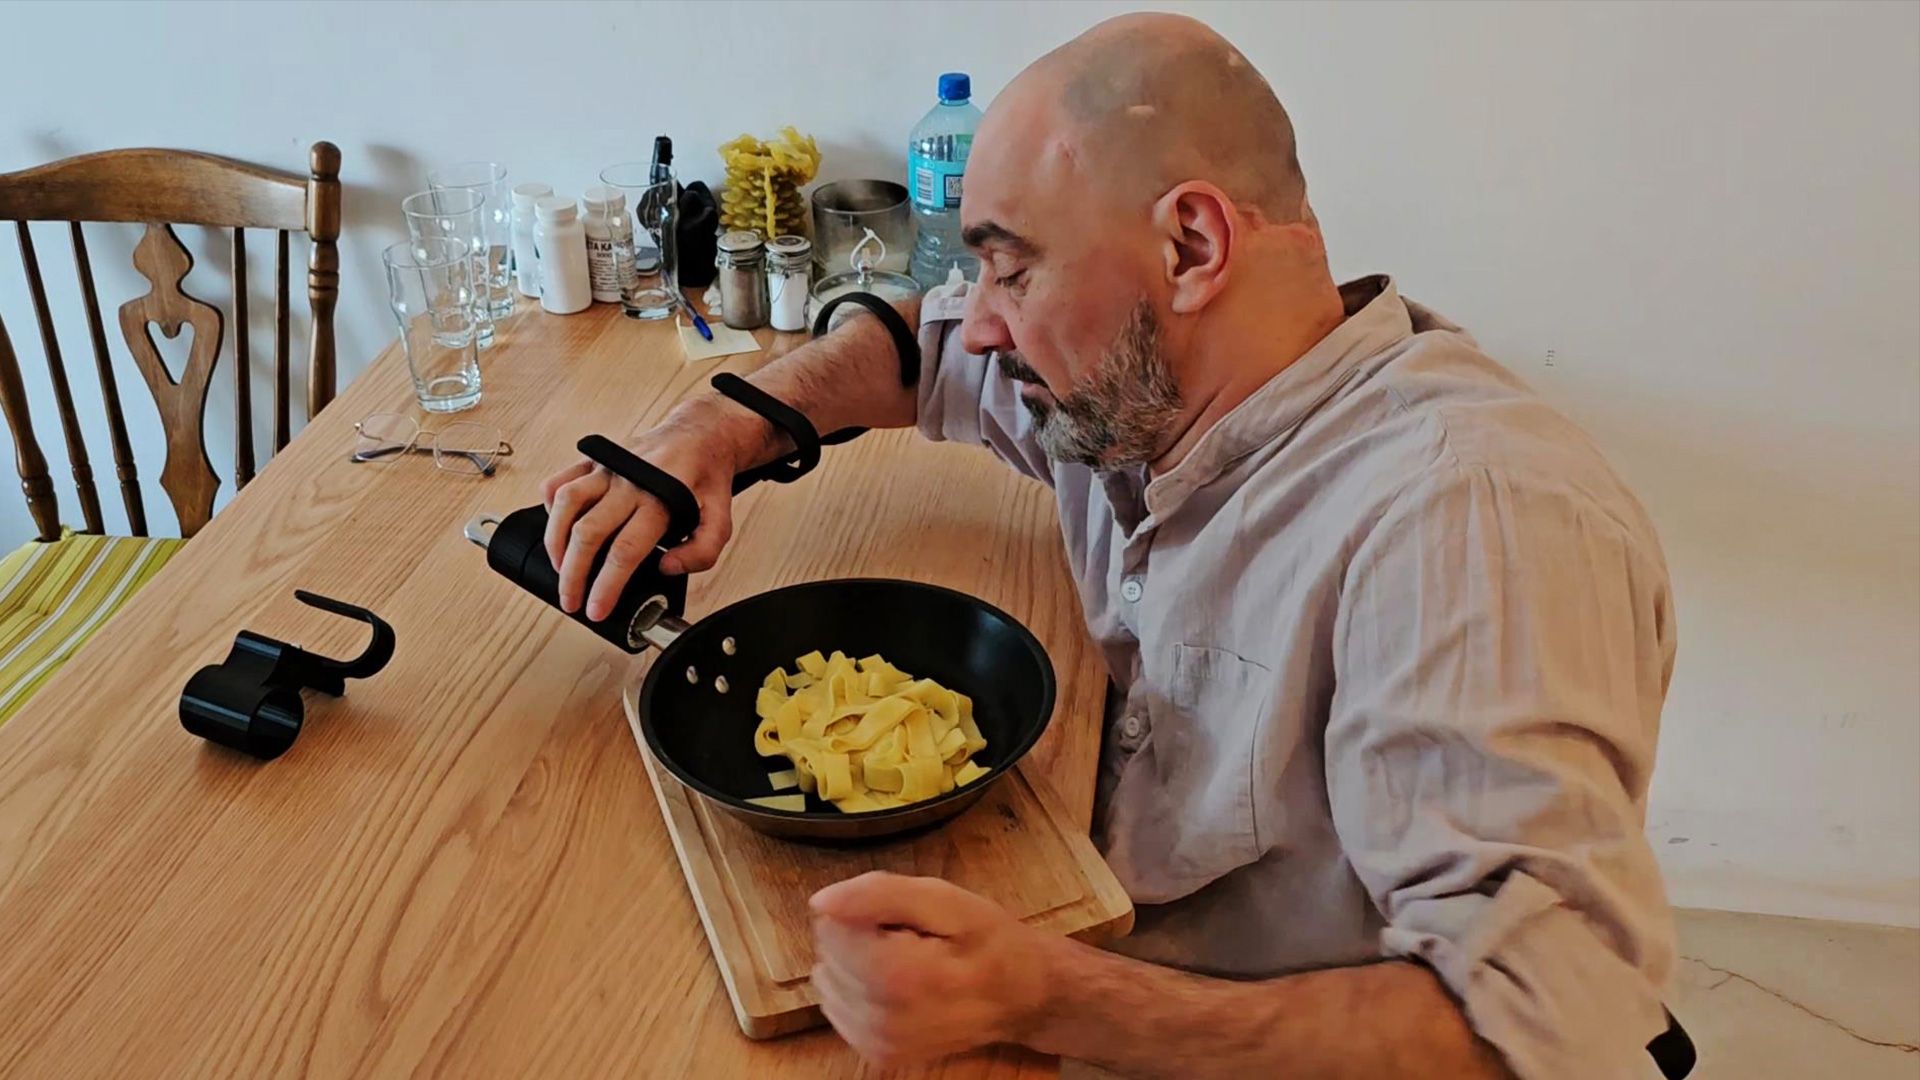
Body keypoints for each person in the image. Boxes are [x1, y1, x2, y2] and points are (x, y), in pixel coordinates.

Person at [541, 13, 1680, 1079]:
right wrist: (724, 424)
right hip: (1085, 925)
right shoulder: (1137, 388)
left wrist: (1044, 998)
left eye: (1012, 266)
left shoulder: (1465, 521)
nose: (982, 316)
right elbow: (926, 350)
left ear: (1192, 243)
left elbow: (1546, 1032)